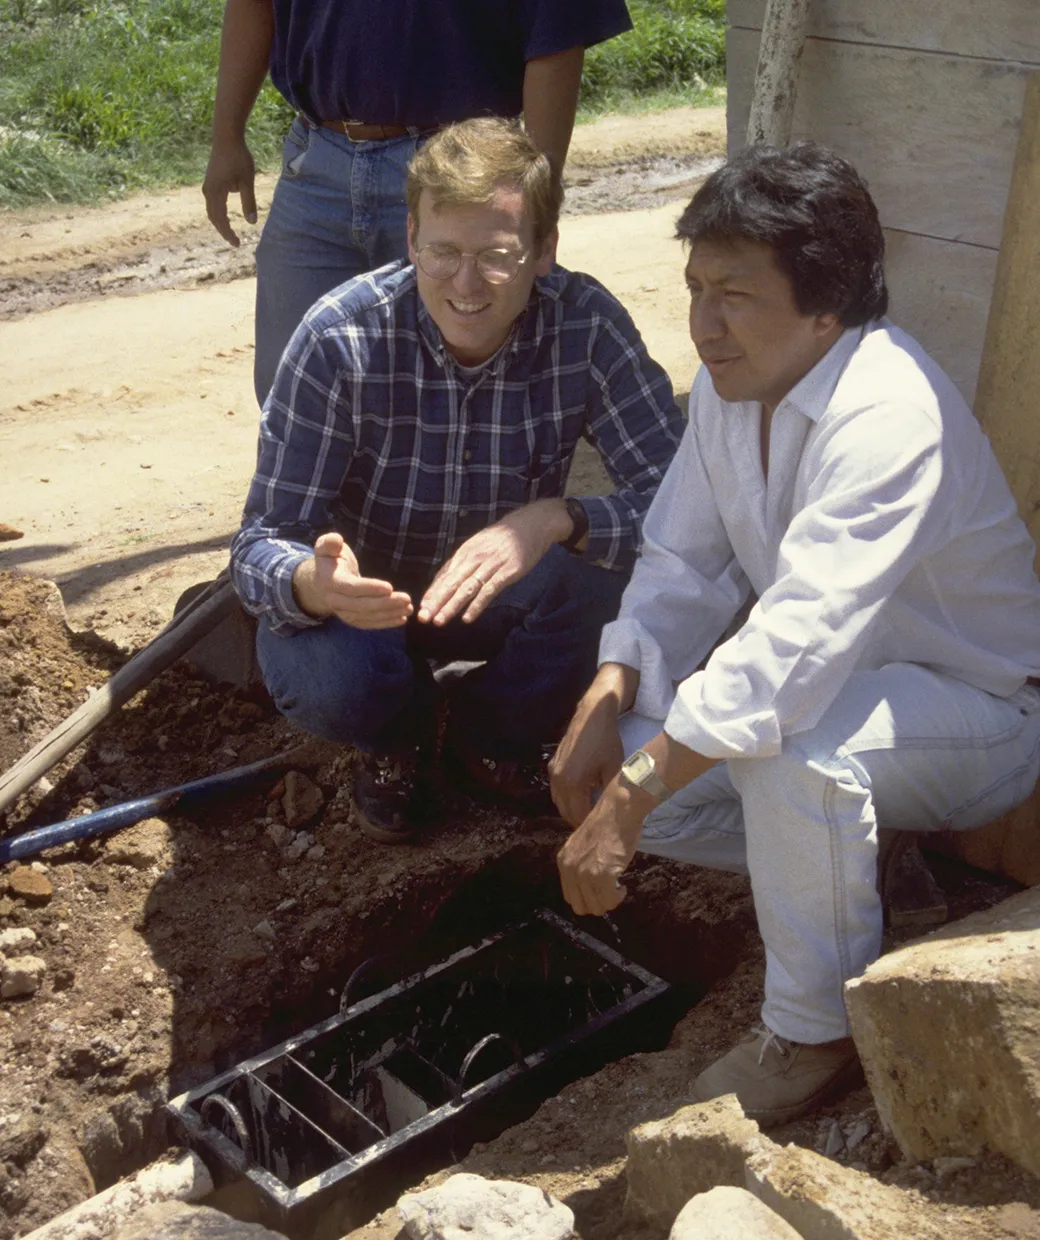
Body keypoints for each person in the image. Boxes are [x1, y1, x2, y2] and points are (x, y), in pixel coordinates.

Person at [550, 141, 1040, 1126]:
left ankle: (813, 1030)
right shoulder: (735, 392)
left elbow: (789, 651)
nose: (702, 325)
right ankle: (863, 862)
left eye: (731, 294)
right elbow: (681, 564)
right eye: (693, 289)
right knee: (644, 739)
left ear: (826, 305)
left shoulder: (887, 413)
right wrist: (606, 693)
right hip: (849, 706)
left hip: (978, 718)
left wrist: (632, 802)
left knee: (782, 753)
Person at [229, 117, 684, 845]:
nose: (465, 285)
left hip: (495, 596)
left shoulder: (586, 326)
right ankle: (395, 740)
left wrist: (554, 518)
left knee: (609, 587)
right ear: (411, 238)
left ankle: (492, 740)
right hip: (364, 609)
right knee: (335, 683)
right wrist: (316, 585)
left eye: (497, 257)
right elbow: (258, 545)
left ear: (544, 251)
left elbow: (684, 506)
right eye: (442, 254)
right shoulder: (339, 337)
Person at [202, 0, 633, 403]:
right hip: (316, 160)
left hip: (464, 171)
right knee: (293, 385)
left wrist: (534, 195)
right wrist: (226, 136)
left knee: (457, 391)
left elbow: (556, 32)